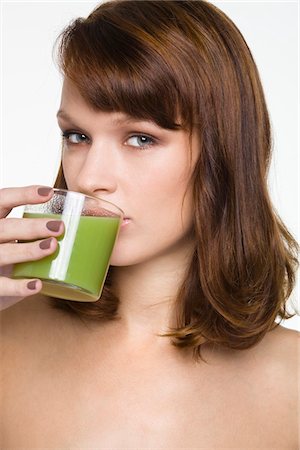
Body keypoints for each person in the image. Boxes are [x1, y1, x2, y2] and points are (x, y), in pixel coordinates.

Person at [0, 0, 298, 447]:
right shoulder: (9, 330)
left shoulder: (291, 384)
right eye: (77, 136)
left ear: (223, 153)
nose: (90, 178)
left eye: (141, 138)